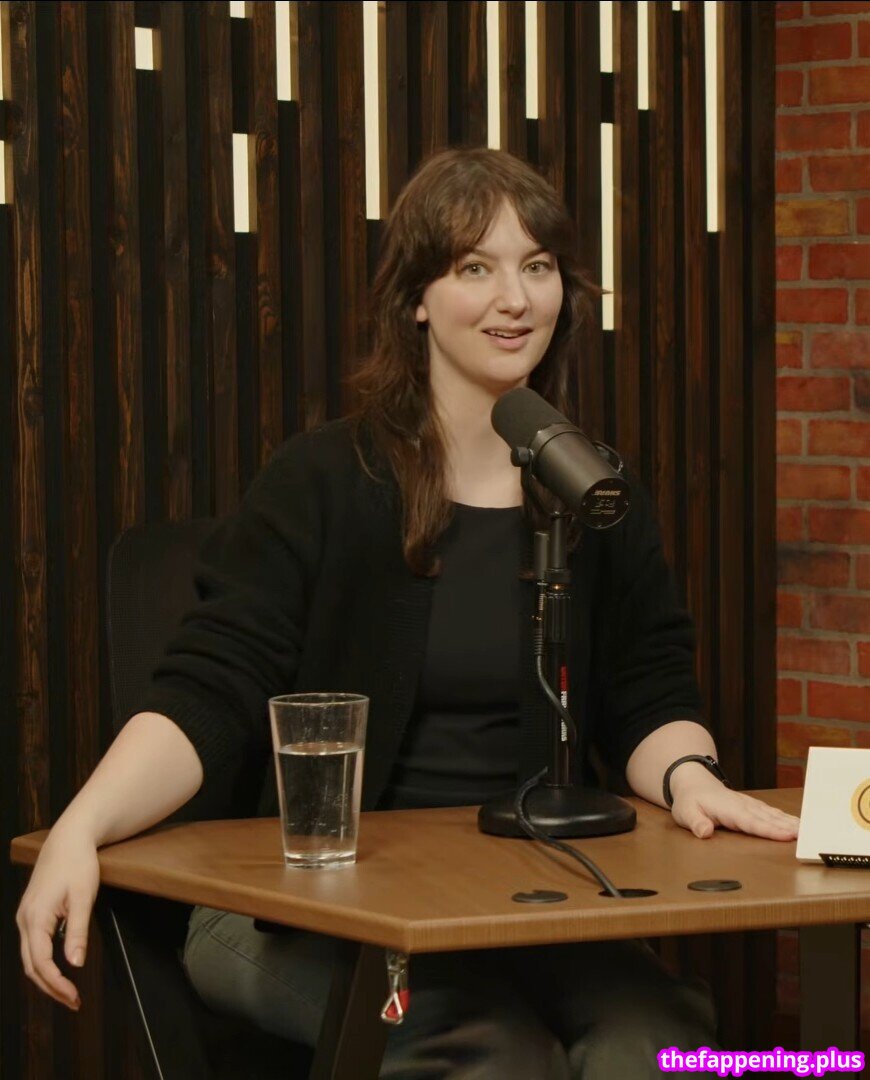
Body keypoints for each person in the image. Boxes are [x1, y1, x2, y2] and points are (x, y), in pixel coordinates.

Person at [17, 147, 799, 1079]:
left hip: (522, 899)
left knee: (659, 1042)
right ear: (418, 299)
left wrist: (689, 778)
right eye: (475, 268)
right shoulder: (322, 481)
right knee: (493, 1055)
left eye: (537, 266)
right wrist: (79, 825)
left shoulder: (593, 489)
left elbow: (648, 689)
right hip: (305, 908)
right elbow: (208, 692)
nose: (515, 299)